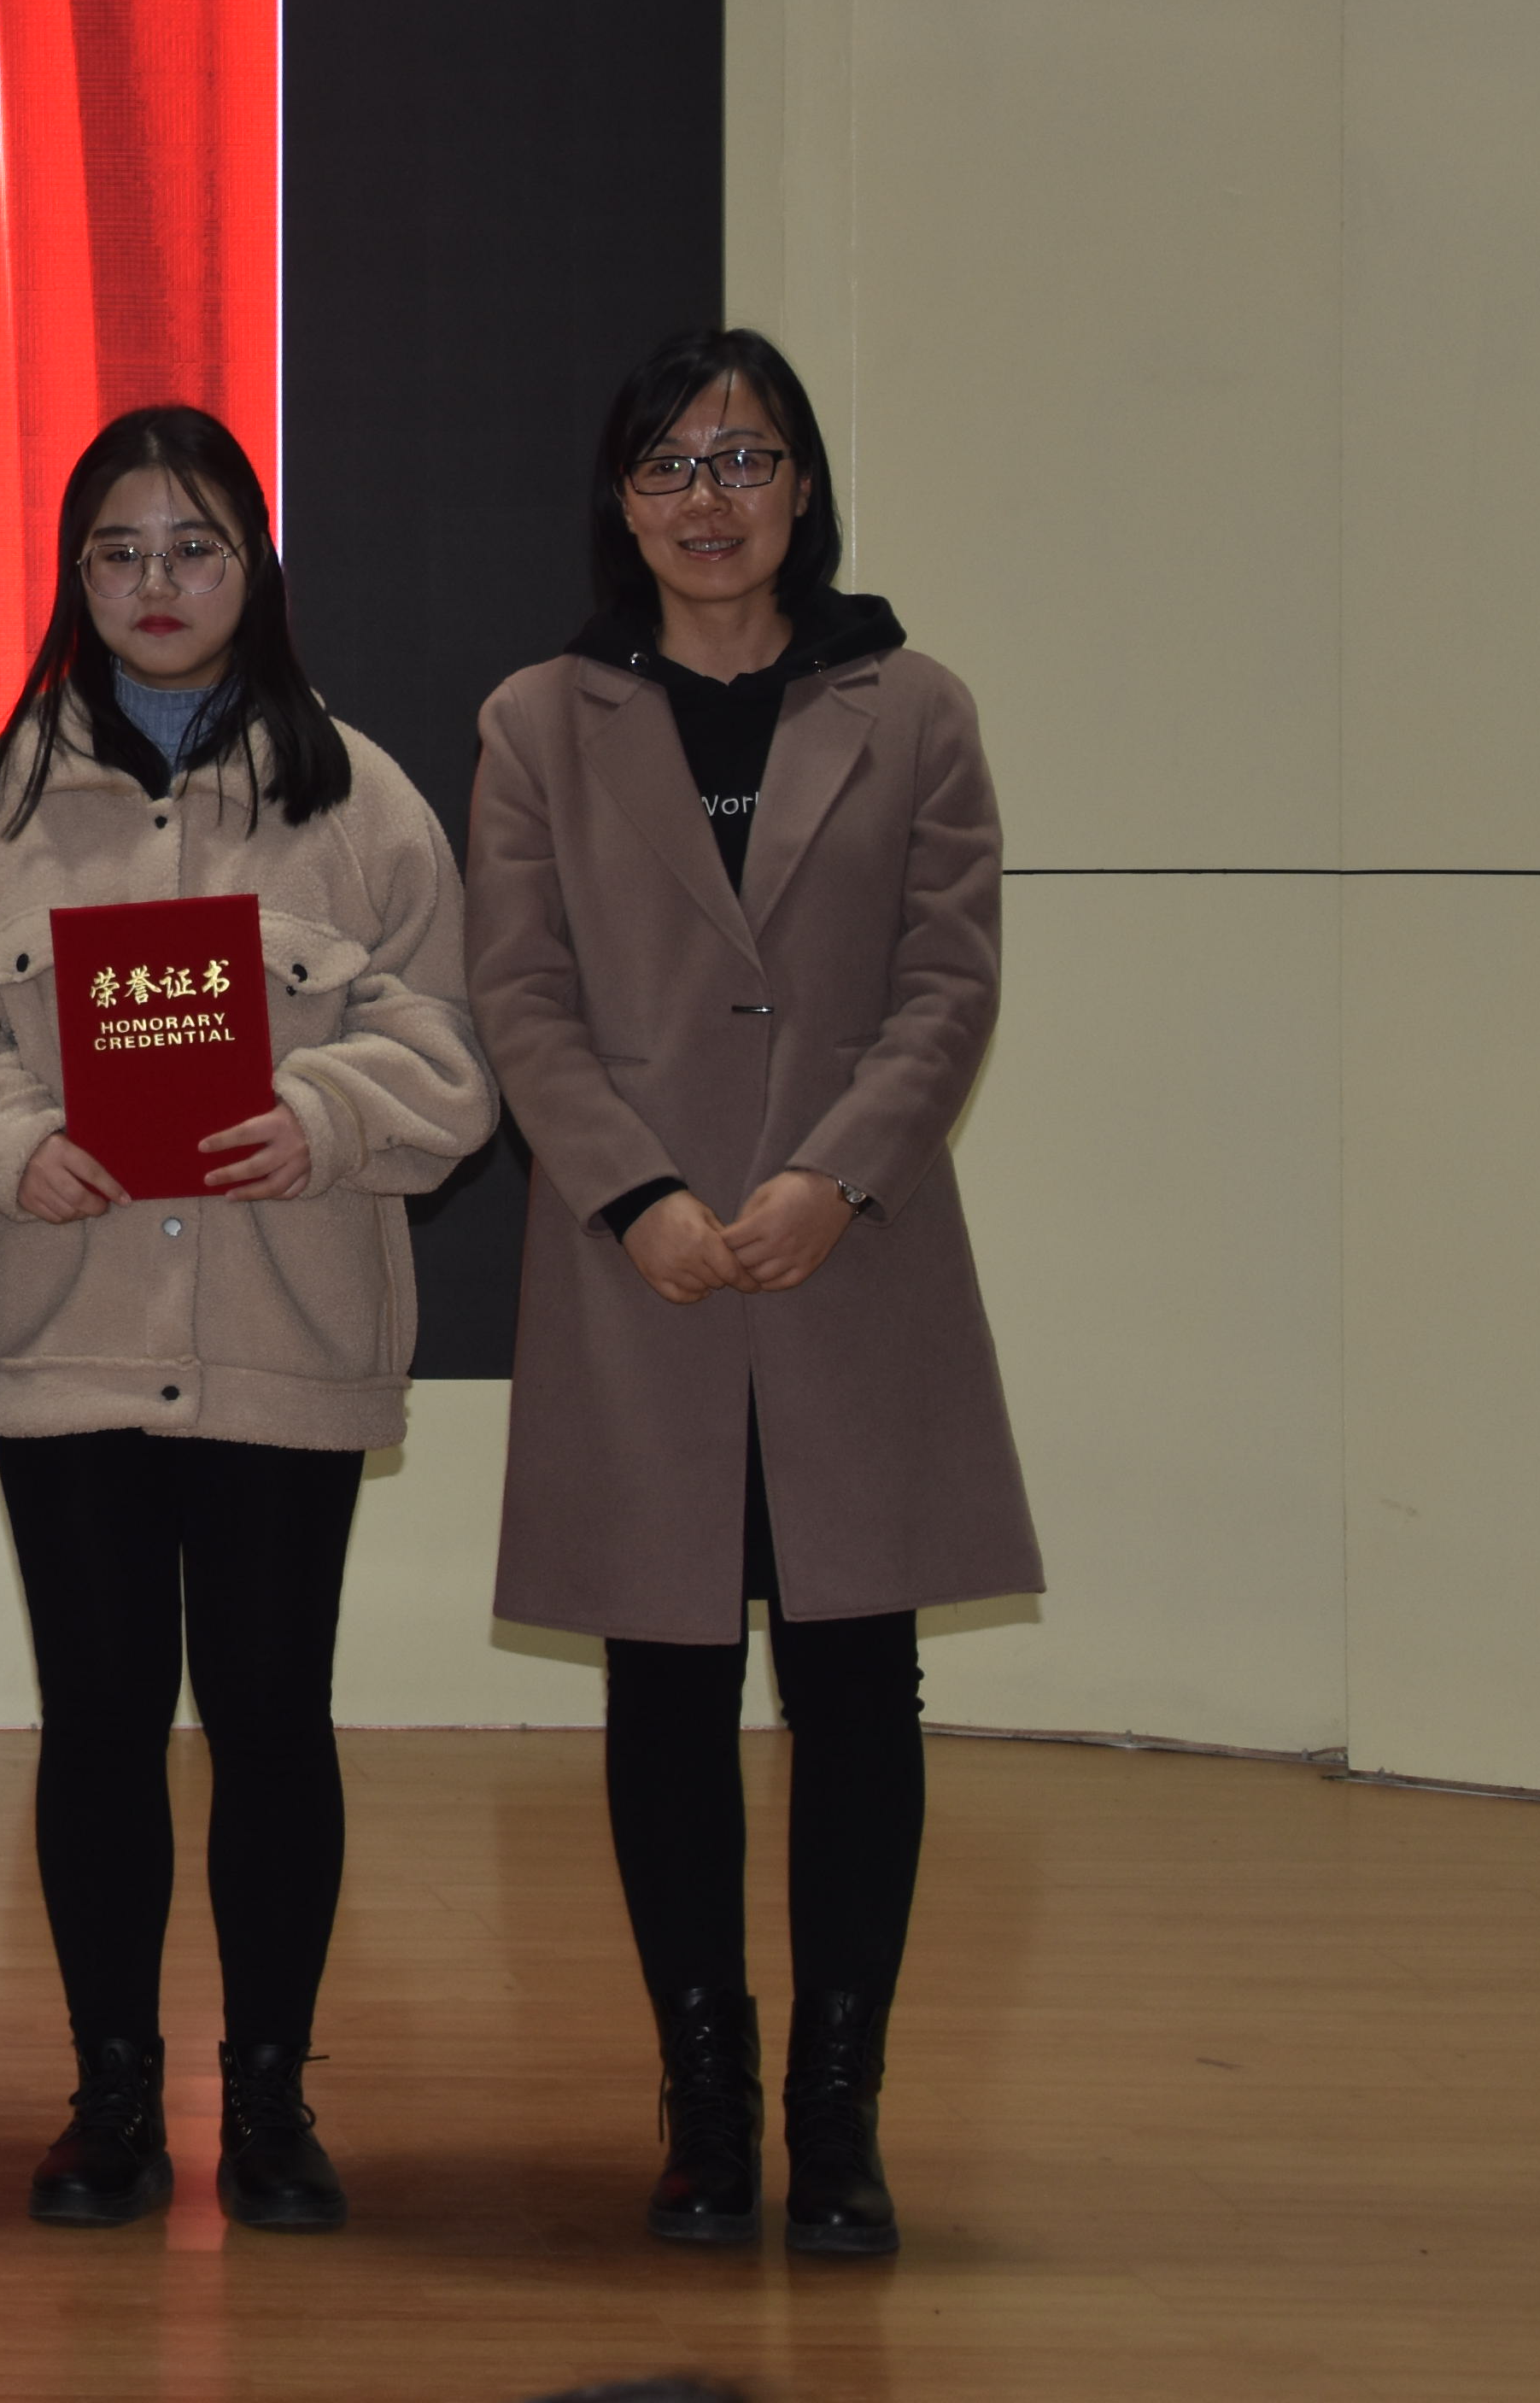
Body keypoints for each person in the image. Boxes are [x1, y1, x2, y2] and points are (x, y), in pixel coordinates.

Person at [0, 405, 493, 2231]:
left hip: (289, 1338)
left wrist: (328, 1113)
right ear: (75, 575)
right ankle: (111, 2093)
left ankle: (269, 2097)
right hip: (74, 1343)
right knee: (102, 1722)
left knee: (275, 1720)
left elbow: (452, 1057)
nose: (155, 583)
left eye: (194, 546)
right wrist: (7, 1141)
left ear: (253, 568)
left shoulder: (364, 803)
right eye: (117, 551)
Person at [466, 325, 1038, 2260]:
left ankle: (839, 2112)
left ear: (804, 486)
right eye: (670, 465)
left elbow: (950, 979)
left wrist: (835, 1174)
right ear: (620, 501)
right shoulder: (539, 718)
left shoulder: (914, 704)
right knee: (667, 1682)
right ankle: (706, 2101)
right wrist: (632, 1187)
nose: (708, 500)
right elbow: (519, 989)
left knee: (863, 1684)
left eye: (745, 459)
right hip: (646, 1269)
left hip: (848, 1256)